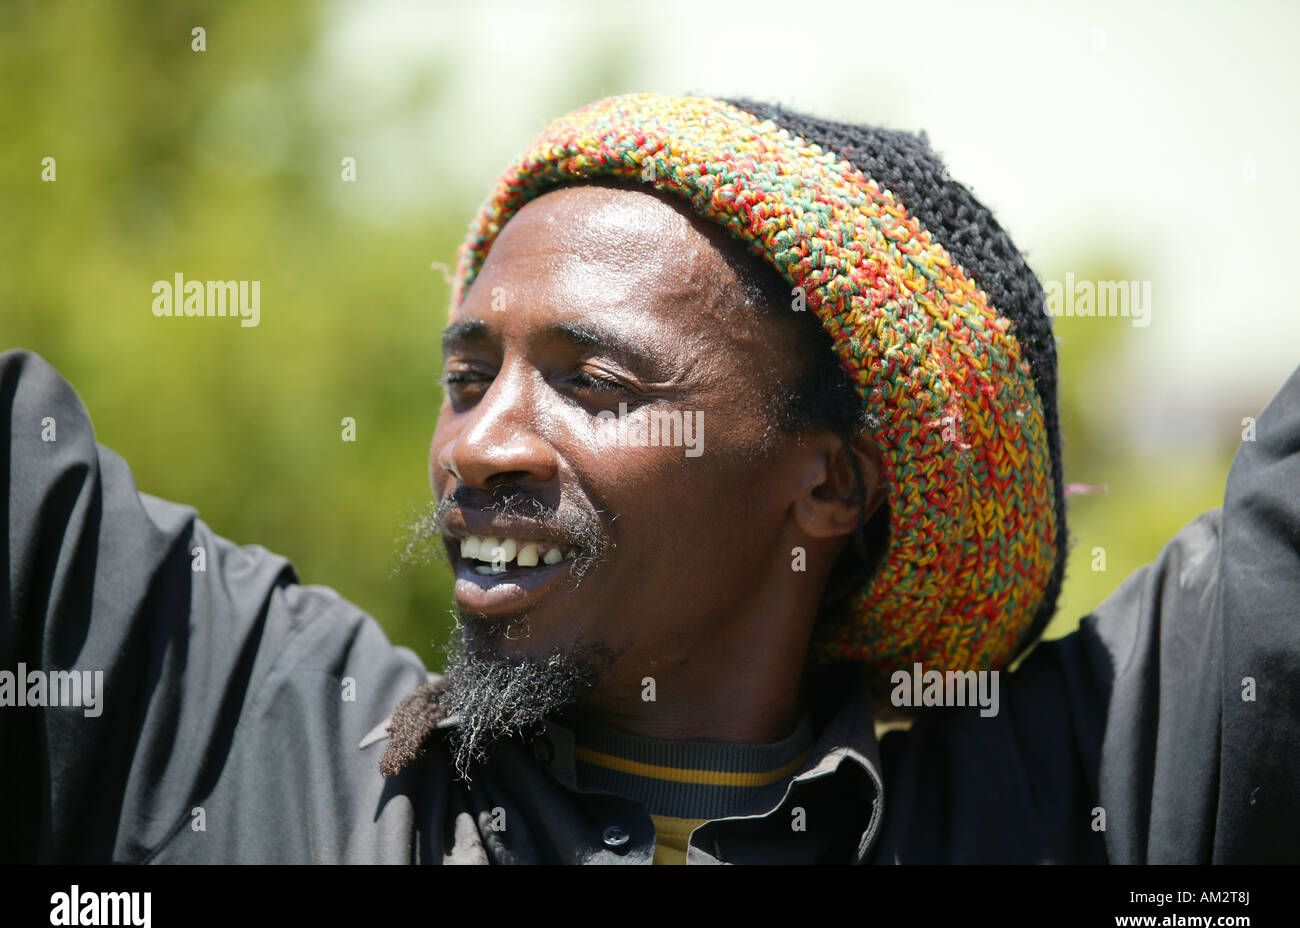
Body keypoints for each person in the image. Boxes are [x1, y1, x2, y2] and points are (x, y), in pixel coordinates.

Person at [3, 93, 1297, 864]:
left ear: (830, 485)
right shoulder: (255, 743)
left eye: (594, 383)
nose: (480, 445)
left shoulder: (1064, 812)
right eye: (467, 377)